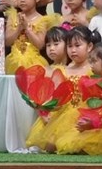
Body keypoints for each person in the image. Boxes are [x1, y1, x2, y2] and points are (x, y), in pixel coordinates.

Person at [53, 41, 102, 155]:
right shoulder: (94, 82)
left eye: (94, 61)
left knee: (100, 146)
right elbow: (93, 108)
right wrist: (87, 121)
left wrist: (94, 124)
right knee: (62, 143)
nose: (91, 65)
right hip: (99, 123)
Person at [40, 25, 97, 153]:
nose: (73, 50)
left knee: (77, 144)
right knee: (51, 145)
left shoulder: (94, 70)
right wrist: (46, 112)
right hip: (64, 114)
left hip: (86, 113)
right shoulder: (63, 70)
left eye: (77, 46)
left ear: (89, 47)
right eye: (70, 46)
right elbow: (53, 96)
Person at [4, 0, 54, 75]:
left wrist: (27, 28)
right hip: (13, 61)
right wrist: (19, 28)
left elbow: (40, 45)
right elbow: (8, 42)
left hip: (34, 62)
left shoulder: (42, 19)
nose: (22, 0)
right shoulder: (13, 16)